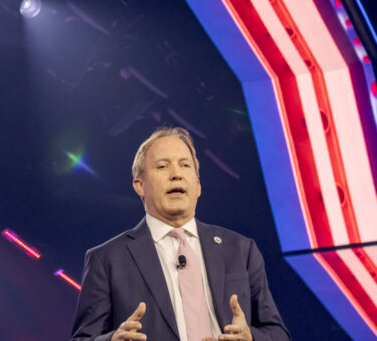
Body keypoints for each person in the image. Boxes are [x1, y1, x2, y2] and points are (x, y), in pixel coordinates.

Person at [71, 127, 290, 341]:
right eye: (162, 166)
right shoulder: (107, 259)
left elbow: (278, 333)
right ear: (139, 185)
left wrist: (250, 338)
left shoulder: (240, 250)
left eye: (185, 165)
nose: (176, 175)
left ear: (198, 185)